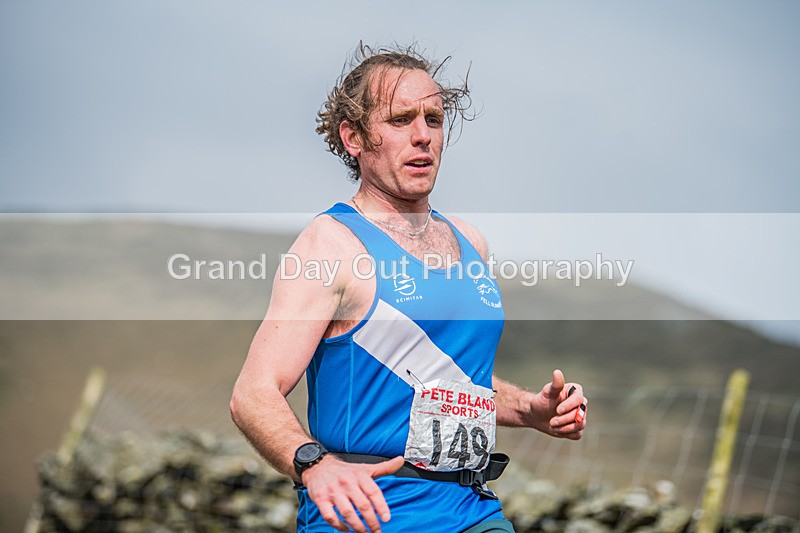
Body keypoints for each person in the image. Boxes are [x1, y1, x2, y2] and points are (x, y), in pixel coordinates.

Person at [230, 44, 588, 533]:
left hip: (472, 510)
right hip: (369, 515)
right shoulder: (330, 245)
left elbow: (445, 381)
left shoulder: (471, 243)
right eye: (400, 120)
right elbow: (253, 394)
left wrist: (529, 409)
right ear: (353, 137)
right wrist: (314, 464)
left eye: (434, 119)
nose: (423, 136)